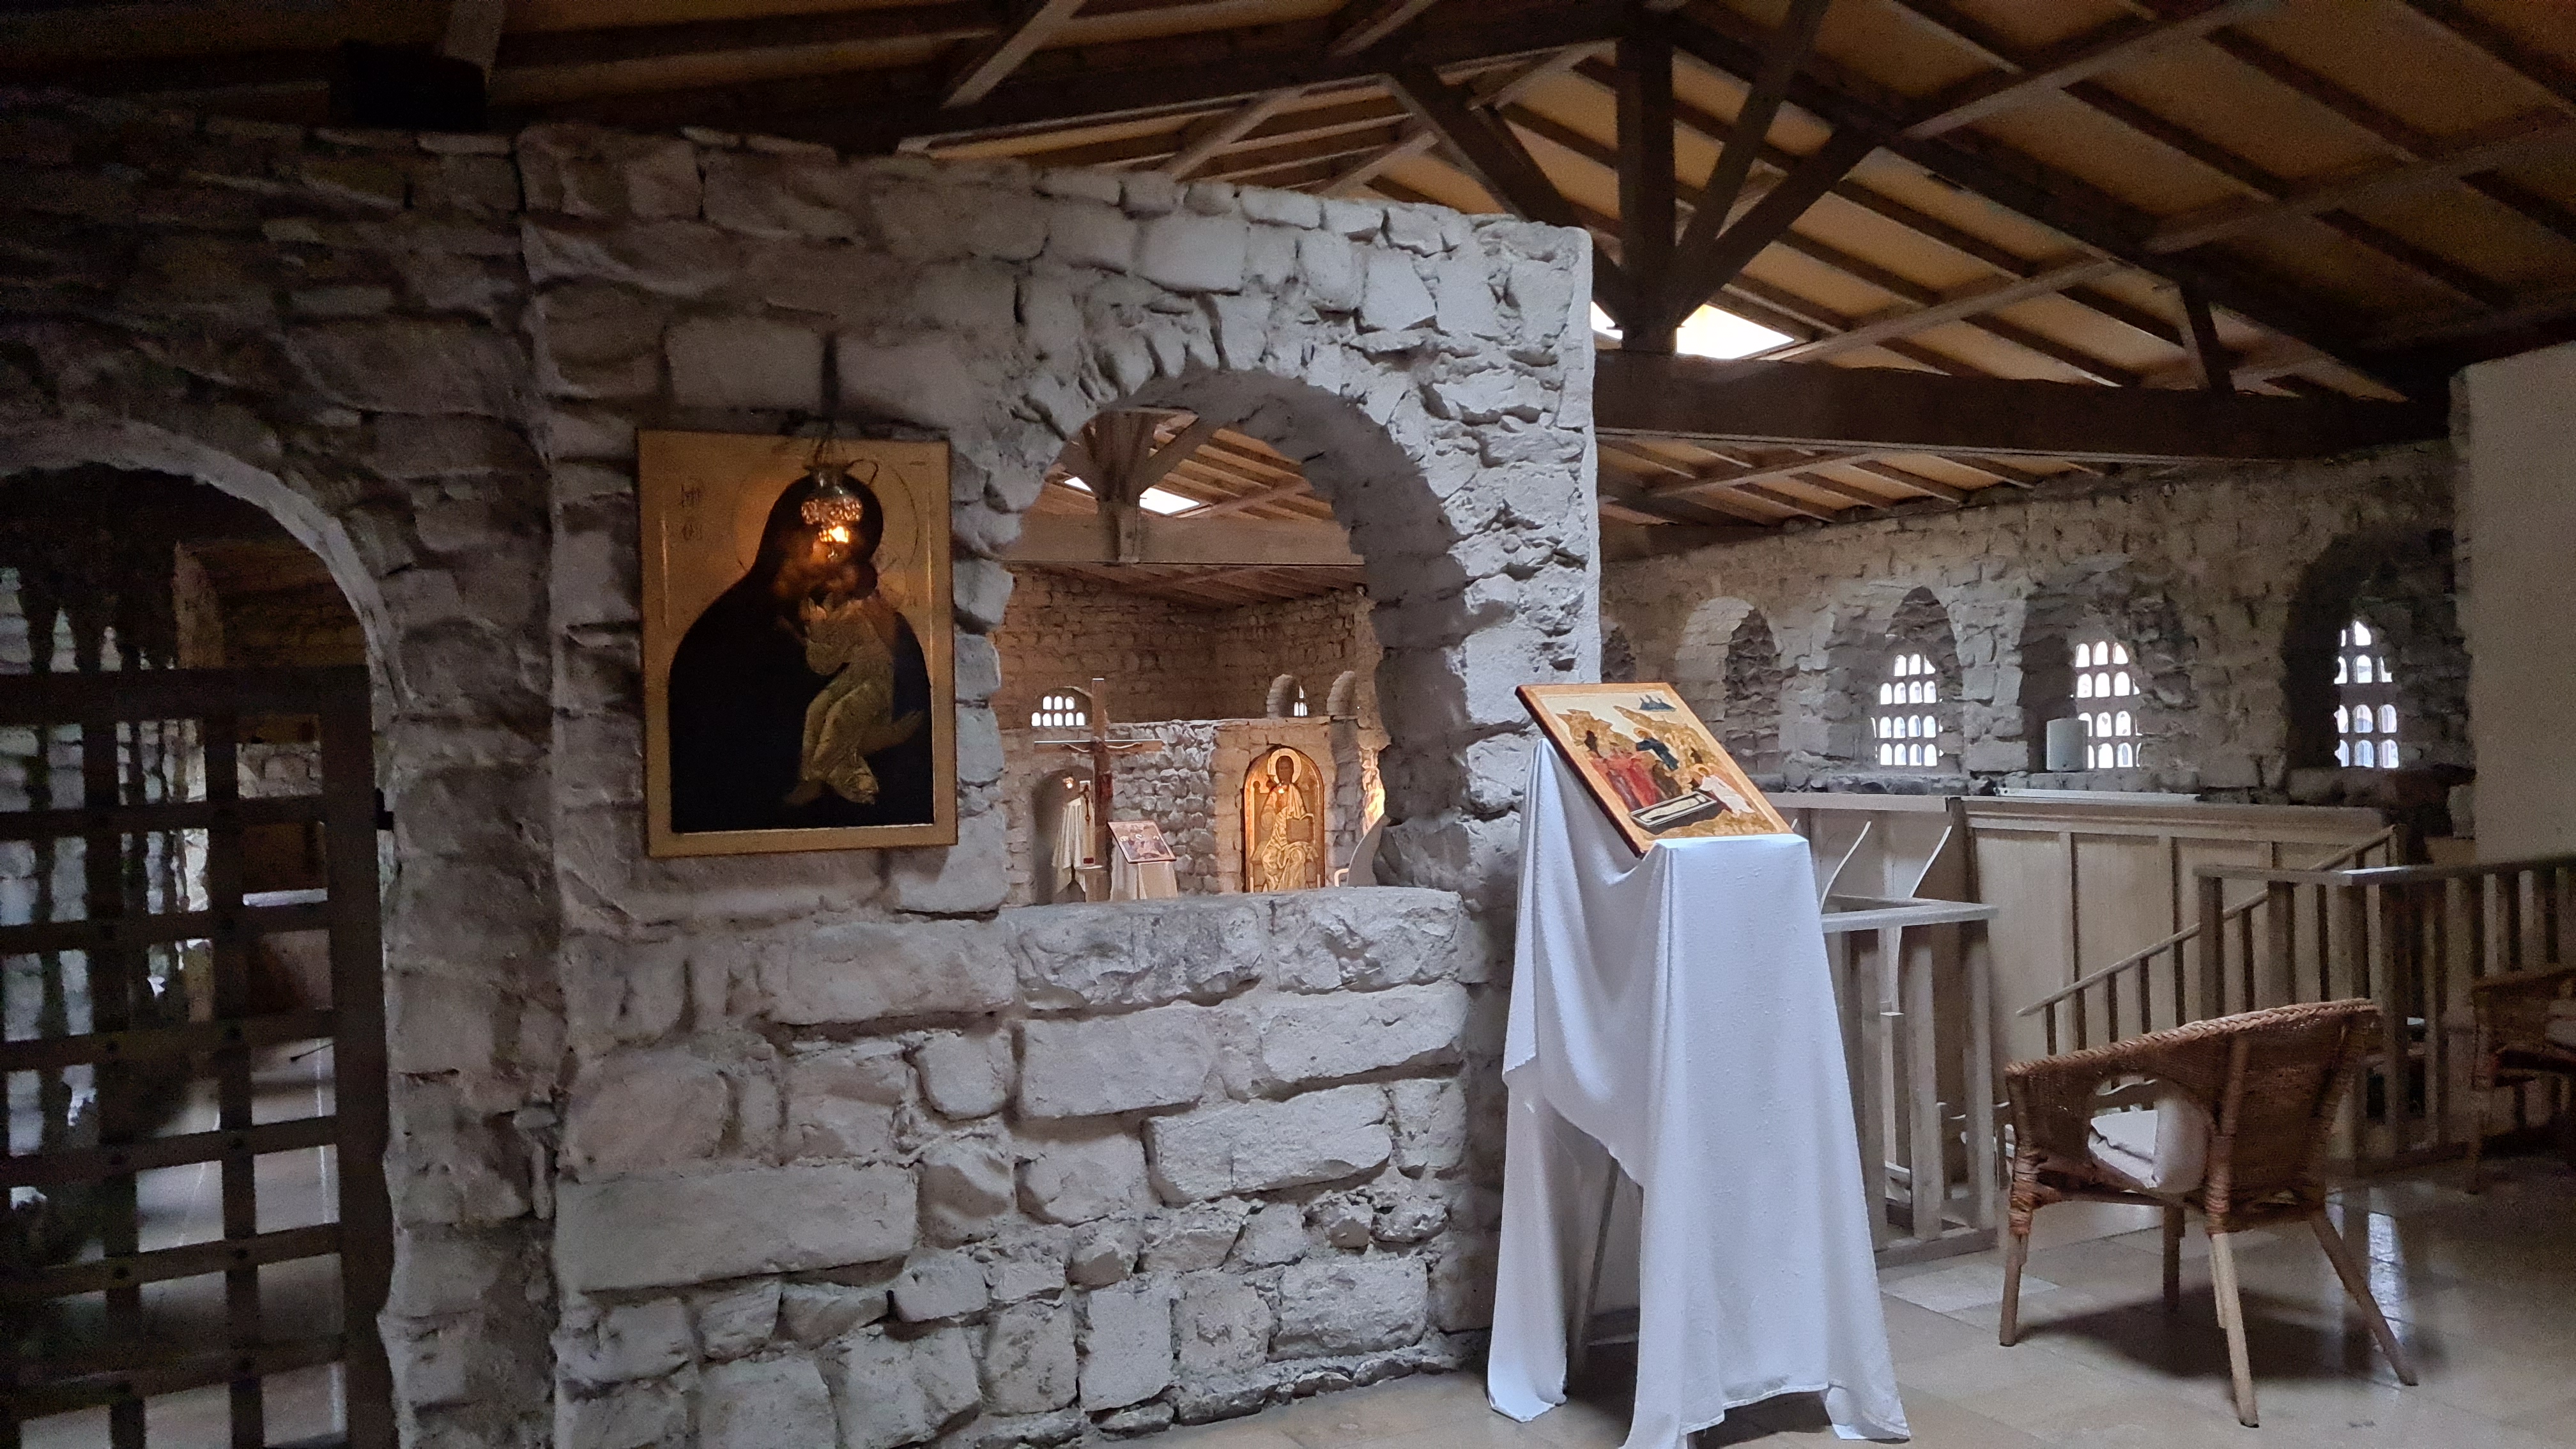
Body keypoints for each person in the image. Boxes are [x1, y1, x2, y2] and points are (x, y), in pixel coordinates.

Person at [667, 462, 933, 834]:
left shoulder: (870, 618)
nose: (833, 550)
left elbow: (914, 722)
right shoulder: (727, 627)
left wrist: (895, 648)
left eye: (850, 546)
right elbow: (715, 741)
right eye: (820, 534)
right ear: (782, 534)